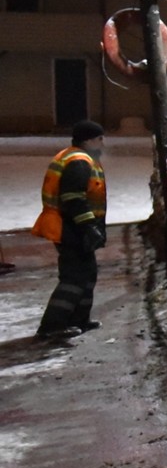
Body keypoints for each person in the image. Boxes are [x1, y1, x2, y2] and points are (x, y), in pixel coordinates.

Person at [32, 120, 107, 339]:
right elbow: (73, 198)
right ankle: (52, 325)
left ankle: (78, 320)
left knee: (87, 273)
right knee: (74, 277)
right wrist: (88, 227)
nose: (103, 143)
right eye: (99, 138)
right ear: (88, 141)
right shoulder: (78, 162)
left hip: (73, 227)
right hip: (70, 228)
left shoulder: (76, 157)